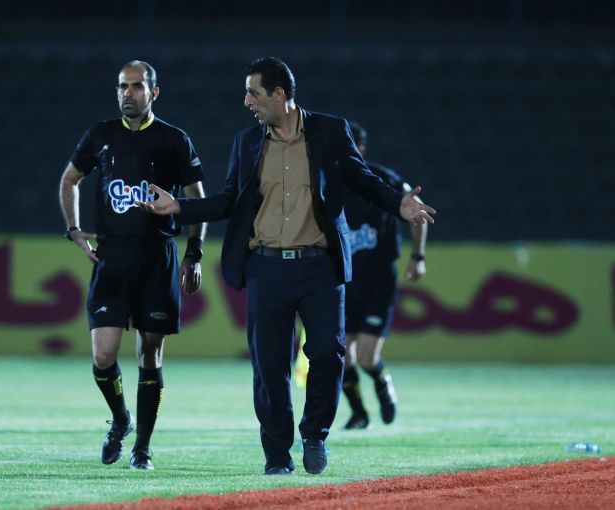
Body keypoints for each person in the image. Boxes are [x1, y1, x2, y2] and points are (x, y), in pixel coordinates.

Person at [138, 57, 435, 476]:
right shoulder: (247, 142)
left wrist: (398, 204)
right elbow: (227, 200)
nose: (247, 102)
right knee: (270, 367)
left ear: (279, 95)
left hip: (320, 267)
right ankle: (277, 456)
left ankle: (314, 434)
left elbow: (362, 180)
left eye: (253, 93)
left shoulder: (331, 131)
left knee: (328, 355)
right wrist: (180, 207)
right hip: (267, 268)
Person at [59, 60, 207, 471]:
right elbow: (70, 179)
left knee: (150, 355)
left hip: (158, 258)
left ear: (154, 92)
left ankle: (142, 447)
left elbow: (197, 199)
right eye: (123, 86)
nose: (129, 93)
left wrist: (194, 253)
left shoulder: (174, 140)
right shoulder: (101, 135)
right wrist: (73, 228)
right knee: (103, 355)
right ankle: (121, 418)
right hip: (112, 258)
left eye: (137, 86)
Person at [295, 122, 428, 430]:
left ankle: (382, 383)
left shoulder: (383, 180)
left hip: (378, 280)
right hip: (341, 279)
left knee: (366, 356)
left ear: (361, 150)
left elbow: (419, 212)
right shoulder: (324, 182)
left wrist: (418, 256)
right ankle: (359, 413)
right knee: (341, 355)